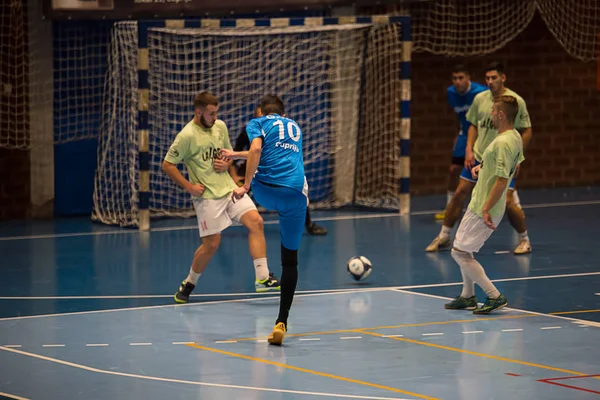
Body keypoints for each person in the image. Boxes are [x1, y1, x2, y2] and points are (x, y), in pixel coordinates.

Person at [161, 91, 280, 304]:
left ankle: (262, 277)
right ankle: (189, 283)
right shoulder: (186, 136)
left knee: (256, 222)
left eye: (216, 113)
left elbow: (228, 154)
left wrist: (229, 169)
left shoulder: (220, 127)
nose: (215, 117)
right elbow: (167, 165)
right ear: (199, 112)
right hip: (206, 196)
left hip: (228, 189)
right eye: (211, 114)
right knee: (212, 245)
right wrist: (189, 187)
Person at [223, 95, 307, 346]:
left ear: (262, 112)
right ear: (283, 112)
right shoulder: (294, 126)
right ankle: (282, 321)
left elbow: (257, 150)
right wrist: (235, 153)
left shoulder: (256, 123)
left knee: (259, 169)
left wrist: (245, 186)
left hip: (266, 191)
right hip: (294, 196)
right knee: (290, 260)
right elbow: (265, 149)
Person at [426, 62, 532, 255]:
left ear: (503, 77)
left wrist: (517, 158)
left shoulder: (515, 102)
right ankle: (444, 236)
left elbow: (526, 131)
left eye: (494, 78)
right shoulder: (479, 99)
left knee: (508, 202)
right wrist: (469, 149)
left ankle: (524, 239)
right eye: (487, 78)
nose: (490, 82)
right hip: (478, 157)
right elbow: (472, 125)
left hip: (501, 160)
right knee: (459, 193)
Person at [445, 95, 523, 314]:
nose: (489, 115)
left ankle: (494, 296)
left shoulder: (502, 142)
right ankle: (467, 296)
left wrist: (487, 208)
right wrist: (483, 168)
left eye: (492, 112)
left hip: (485, 205)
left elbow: (501, 180)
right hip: (480, 201)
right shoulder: (515, 137)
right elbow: (513, 167)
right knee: (463, 247)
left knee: (459, 252)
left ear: (500, 114)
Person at [229, 106, 328, 236]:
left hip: (272, 170)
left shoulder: (279, 134)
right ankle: (219, 219)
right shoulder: (249, 132)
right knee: (232, 191)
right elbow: (235, 159)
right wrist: (235, 177)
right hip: (251, 170)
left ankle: (308, 224)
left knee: (298, 188)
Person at [435, 65, 488, 220]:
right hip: (465, 134)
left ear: (468, 78)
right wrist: (458, 135)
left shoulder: (481, 93)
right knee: (453, 170)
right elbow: (458, 116)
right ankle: (449, 207)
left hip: (483, 135)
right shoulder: (451, 93)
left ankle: (513, 203)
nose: (457, 82)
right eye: (454, 78)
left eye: (460, 78)